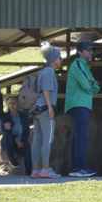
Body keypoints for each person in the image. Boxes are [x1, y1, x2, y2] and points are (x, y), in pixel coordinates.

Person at [64, 40, 100, 178]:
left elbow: (96, 87)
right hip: (78, 104)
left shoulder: (85, 66)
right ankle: (79, 168)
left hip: (82, 104)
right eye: (88, 50)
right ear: (80, 52)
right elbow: (87, 85)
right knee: (81, 137)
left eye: (91, 50)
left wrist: (92, 84)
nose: (91, 52)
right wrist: (92, 84)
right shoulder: (78, 64)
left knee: (80, 137)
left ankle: (77, 168)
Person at [30, 44, 61, 179]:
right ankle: (46, 169)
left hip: (37, 109)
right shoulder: (49, 72)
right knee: (47, 140)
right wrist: (50, 108)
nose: (61, 60)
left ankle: (35, 170)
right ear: (54, 59)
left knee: (37, 140)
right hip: (45, 109)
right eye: (59, 58)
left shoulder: (42, 71)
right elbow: (46, 91)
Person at [1, 96, 32, 175]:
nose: (12, 105)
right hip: (10, 139)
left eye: (14, 103)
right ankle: (13, 162)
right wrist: (16, 139)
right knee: (9, 139)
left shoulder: (23, 116)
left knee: (27, 147)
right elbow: (4, 131)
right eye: (10, 103)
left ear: (17, 104)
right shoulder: (5, 116)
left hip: (21, 139)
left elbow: (26, 130)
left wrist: (21, 140)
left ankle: (29, 171)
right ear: (7, 105)